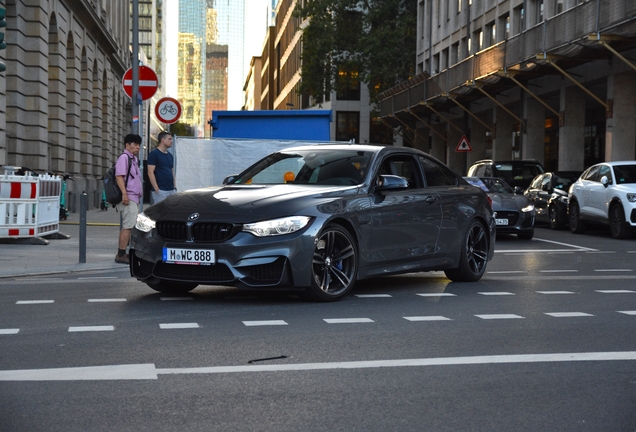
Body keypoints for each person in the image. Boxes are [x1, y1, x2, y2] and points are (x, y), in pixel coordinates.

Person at [115, 133, 143, 264]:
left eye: (138, 145)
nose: (137, 147)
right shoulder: (124, 157)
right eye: (135, 144)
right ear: (127, 145)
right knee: (128, 226)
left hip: (133, 197)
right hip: (128, 197)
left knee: (130, 226)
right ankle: (121, 254)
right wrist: (124, 194)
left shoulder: (134, 159)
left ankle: (125, 252)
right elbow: (119, 176)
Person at [147, 131, 176, 204]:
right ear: (163, 140)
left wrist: (174, 187)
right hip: (161, 191)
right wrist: (157, 189)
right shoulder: (154, 154)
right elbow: (150, 172)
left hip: (171, 190)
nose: (171, 141)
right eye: (169, 139)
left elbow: (172, 171)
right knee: (161, 213)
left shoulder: (170, 155)